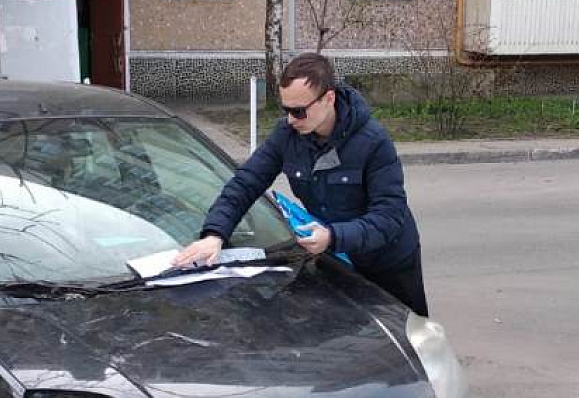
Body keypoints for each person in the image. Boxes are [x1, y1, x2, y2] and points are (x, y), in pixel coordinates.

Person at [173, 52, 428, 316]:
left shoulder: (373, 141)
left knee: (408, 334)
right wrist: (215, 234)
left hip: (388, 263)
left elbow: (389, 217)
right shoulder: (287, 135)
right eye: (285, 110)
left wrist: (333, 236)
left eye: (298, 111)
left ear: (328, 99)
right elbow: (245, 183)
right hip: (338, 260)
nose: (291, 119)